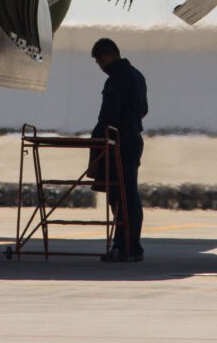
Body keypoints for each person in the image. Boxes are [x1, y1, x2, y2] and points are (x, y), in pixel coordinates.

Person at [90, 36, 148, 262]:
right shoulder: (137, 75)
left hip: (118, 143)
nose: (101, 67)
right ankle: (131, 245)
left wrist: (97, 138)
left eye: (99, 61)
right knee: (129, 193)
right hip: (133, 140)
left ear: (108, 55)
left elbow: (108, 115)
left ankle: (125, 246)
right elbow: (144, 109)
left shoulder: (117, 79)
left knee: (120, 195)